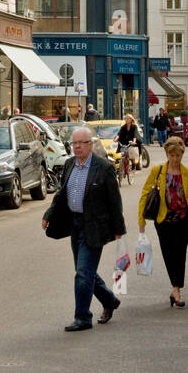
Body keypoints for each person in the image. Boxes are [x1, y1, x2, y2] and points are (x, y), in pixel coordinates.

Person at [42, 126, 124, 331]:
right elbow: (62, 194)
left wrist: (118, 228)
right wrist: (49, 214)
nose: (77, 147)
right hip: (75, 224)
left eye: (81, 143)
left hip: (95, 226)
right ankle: (109, 300)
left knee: (83, 272)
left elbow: (114, 201)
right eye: (74, 143)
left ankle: (83, 317)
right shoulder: (70, 164)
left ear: (90, 145)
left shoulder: (103, 167)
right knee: (85, 271)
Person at [138, 136, 188, 307]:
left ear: (182, 155)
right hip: (163, 221)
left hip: (182, 220)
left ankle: (176, 289)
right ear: (167, 154)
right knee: (169, 254)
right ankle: (176, 288)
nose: (175, 159)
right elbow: (145, 194)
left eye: (178, 155)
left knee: (179, 255)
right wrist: (141, 221)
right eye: (172, 155)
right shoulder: (157, 171)